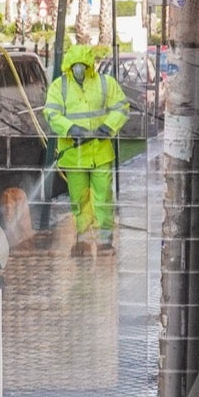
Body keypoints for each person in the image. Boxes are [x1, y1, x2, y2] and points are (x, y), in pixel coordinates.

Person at [44, 44, 130, 256]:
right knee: (79, 200)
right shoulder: (59, 86)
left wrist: (106, 128)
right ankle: (82, 241)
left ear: (90, 65)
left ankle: (104, 243)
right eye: (75, 65)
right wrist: (71, 129)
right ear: (69, 66)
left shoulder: (104, 83)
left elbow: (121, 106)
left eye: (82, 65)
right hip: (74, 155)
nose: (79, 69)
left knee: (103, 199)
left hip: (100, 152)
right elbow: (51, 113)